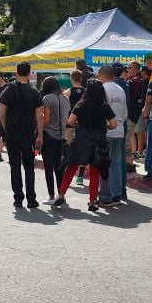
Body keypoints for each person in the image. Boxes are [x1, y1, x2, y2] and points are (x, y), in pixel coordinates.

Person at [54, 79, 118, 212]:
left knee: (71, 167)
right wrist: (102, 126)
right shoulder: (104, 105)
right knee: (95, 171)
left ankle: (61, 194)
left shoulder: (81, 104)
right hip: (98, 140)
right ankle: (92, 201)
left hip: (81, 139)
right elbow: (114, 125)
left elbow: (70, 121)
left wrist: (80, 126)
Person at [0, 62, 44, 208]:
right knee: (29, 166)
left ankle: (18, 198)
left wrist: (6, 130)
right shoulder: (35, 92)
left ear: (16, 73)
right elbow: (39, 116)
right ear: (30, 73)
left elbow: (2, 114)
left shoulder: (8, 91)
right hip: (28, 134)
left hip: (12, 133)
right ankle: (31, 198)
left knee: (15, 166)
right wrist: (40, 136)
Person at [98, 64, 128, 205]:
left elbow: (101, 111)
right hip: (120, 130)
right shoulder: (120, 89)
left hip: (108, 130)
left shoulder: (102, 89)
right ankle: (117, 194)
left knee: (105, 164)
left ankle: (106, 196)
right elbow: (124, 113)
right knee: (116, 163)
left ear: (102, 75)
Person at [40, 76, 70, 205]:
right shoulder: (65, 99)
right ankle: (61, 194)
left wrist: (38, 118)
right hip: (61, 137)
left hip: (49, 136)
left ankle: (51, 196)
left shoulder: (47, 98)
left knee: (48, 167)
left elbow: (46, 120)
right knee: (59, 167)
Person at [63, 69, 88, 185]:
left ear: (71, 78)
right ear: (81, 78)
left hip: (69, 124)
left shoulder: (67, 93)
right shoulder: (87, 92)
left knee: (67, 148)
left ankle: (65, 173)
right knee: (83, 150)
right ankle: (80, 176)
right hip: (83, 125)